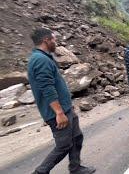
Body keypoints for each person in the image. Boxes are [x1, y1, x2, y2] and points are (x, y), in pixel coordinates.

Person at [28, 28, 95, 174]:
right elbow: (47, 88)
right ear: (46, 40)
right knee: (64, 145)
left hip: (65, 109)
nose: (56, 43)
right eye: (54, 39)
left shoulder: (43, 57)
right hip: (58, 112)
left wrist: (68, 107)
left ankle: (75, 168)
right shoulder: (40, 60)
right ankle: (40, 171)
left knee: (77, 138)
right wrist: (58, 112)